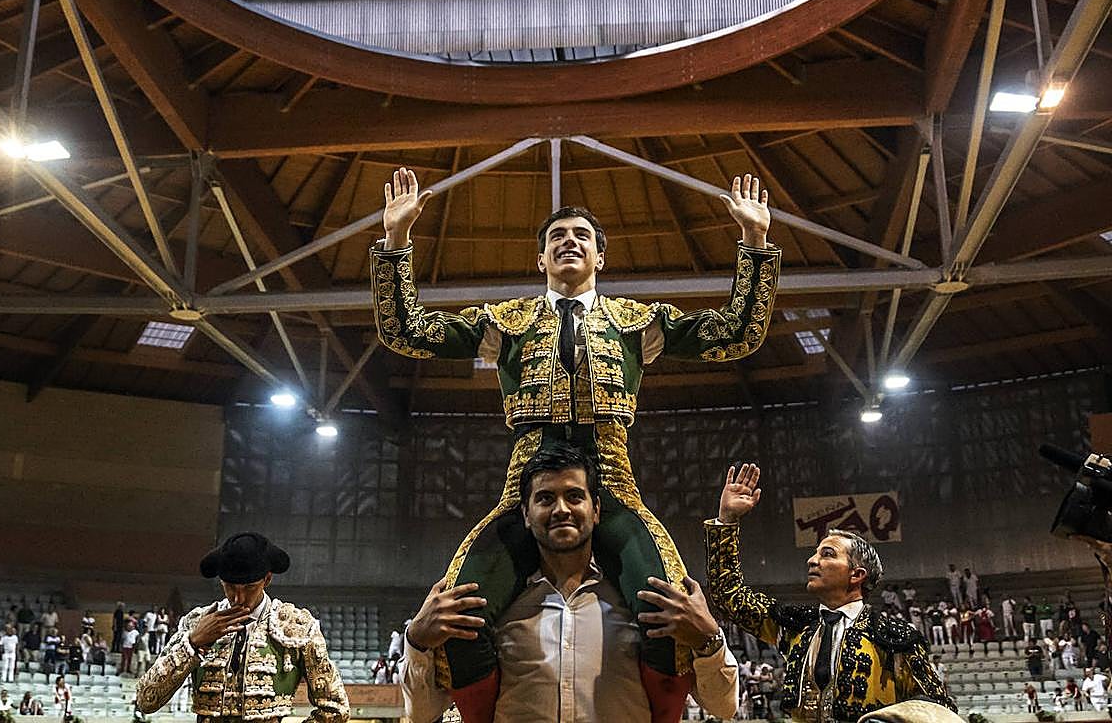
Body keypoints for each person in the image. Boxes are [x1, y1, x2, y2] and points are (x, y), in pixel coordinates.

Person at [372, 167, 780, 721]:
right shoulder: (506, 321)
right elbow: (405, 331)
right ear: (540, 260)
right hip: (528, 489)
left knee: (669, 610)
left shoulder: (637, 322)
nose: (569, 241)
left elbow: (737, 335)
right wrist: (397, 240)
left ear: (599, 258)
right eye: (556, 237)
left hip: (612, 488)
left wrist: (754, 241)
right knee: (455, 617)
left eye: (581, 236)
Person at [400, 447, 740, 723]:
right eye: (545, 499)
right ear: (525, 514)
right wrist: (417, 641)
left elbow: (724, 707)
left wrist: (708, 639)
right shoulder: (495, 607)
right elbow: (421, 713)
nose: (561, 509)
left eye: (574, 497)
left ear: (596, 511)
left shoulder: (642, 603)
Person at [705, 463, 954, 723]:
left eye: (827, 554)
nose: (812, 561)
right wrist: (727, 520)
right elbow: (728, 593)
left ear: (856, 575)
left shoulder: (894, 637)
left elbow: (939, 708)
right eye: (815, 553)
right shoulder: (796, 625)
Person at [135, 531, 349, 722]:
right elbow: (146, 700)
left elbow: (336, 709)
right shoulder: (196, 623)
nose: (238, 598)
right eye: (230, 586)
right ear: (220, 581)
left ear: (267, 579)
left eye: (249, 587)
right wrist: (192, 643)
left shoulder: (297, 626)